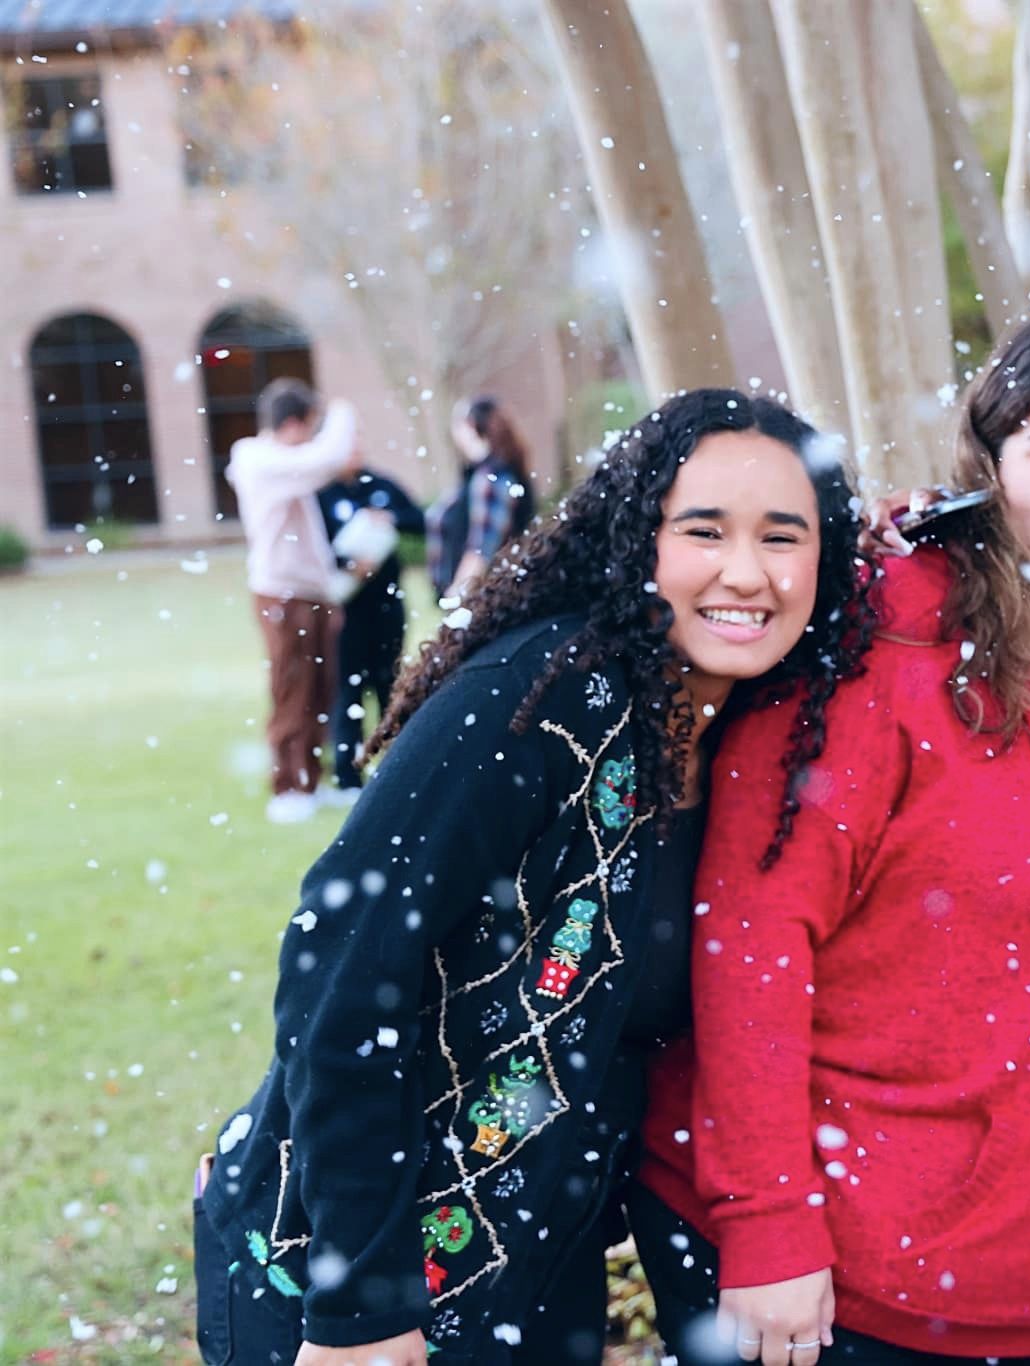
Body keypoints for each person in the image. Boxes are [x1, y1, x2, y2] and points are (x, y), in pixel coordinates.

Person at [193, 389, 873, 1366]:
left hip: (532, 1266)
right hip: (351, 1272)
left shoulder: (744, 734)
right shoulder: (546, 697)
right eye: (702, 530)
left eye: (783, 535)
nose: (746, 572)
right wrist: (360, 1312)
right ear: (634, 538)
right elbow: (338, 965)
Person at [632, 310, 1030, 1366]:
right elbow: (753, 932)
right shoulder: (883, 633)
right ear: (990, 459)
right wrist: (767, 1218)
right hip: (836, 1286)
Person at [226, 378, 361, 824]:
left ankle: (310, 780)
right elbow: (327, 458)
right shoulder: (257, 458)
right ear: (292, 423)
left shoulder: (283, 463)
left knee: (321, 689)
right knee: (292, 689)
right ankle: (287, 787)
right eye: (310, 425)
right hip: (282, 593)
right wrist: (341, 411)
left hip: (312, 593)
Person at [317, 461, 426, 799]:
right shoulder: (322, 495)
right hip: (347, 611)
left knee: (390, 688)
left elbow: (419, 520)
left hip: (386, 606)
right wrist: (349, 568)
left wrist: (388, 519)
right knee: (348, 692)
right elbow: (315, 548)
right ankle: (348, 776)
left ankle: (397, 769)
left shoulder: (382, 485)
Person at [428, 396, 537, 604]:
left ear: (469, 426)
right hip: (491, 595)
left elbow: (482, 548)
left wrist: (457, 596)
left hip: (484, 598)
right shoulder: (489, 473)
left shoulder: (490, 477)